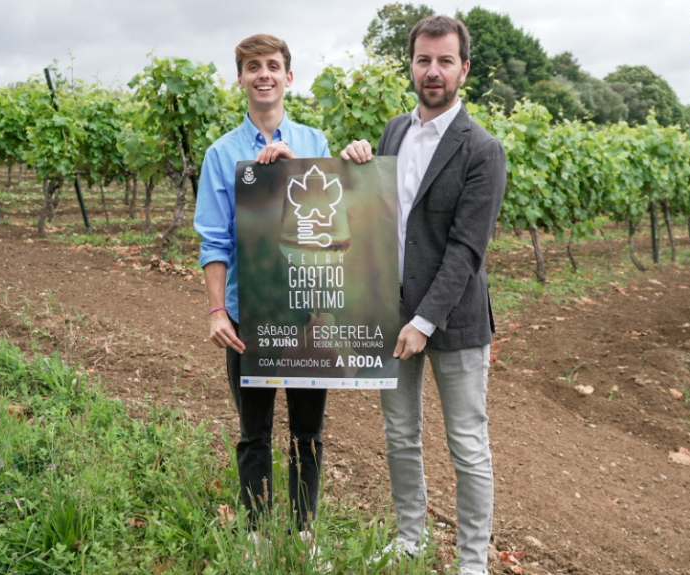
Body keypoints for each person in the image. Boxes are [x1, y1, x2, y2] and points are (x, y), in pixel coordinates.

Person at [341, 14, 506, 575]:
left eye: (444, 61)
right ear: (410, 65)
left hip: (453, 322)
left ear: (464, 68)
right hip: (392, 311)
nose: (432, 72)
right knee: (400, 434)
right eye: (422, 60)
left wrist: (425, 320)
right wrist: (355, 166)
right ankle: (410, 541)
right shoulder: (394, 131)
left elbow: (466, 249)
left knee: (467, 444)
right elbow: (377, 215)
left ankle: (471, 562)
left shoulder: (482, 150)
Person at [194, 34, 332, 532]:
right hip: (248, 315)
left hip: (306, 313)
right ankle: (255, 534)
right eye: (253, 67)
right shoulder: (220, 154)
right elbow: (214, 240)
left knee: (307, 432)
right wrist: (217, 311)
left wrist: (295, 172)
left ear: (288, 77)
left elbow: (331, 228)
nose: (264, 74)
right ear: (241, 79)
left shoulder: (316, 143)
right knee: (254, 433)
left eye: (273, 65)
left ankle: (303, 533)